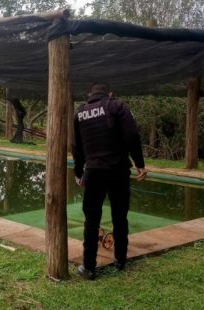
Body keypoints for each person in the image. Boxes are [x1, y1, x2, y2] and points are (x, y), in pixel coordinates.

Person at [71, 82, 147, 280]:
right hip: (118, 171)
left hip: (94, 172)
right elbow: (132, 135)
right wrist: (139, 163)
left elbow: (76, 148)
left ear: (89, 94)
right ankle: (120, 261)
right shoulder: (117, 106)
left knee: (91, 220)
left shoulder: (80, 113)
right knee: (120, 217)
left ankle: (89, 267)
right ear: (109, 93)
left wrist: (78, 173)